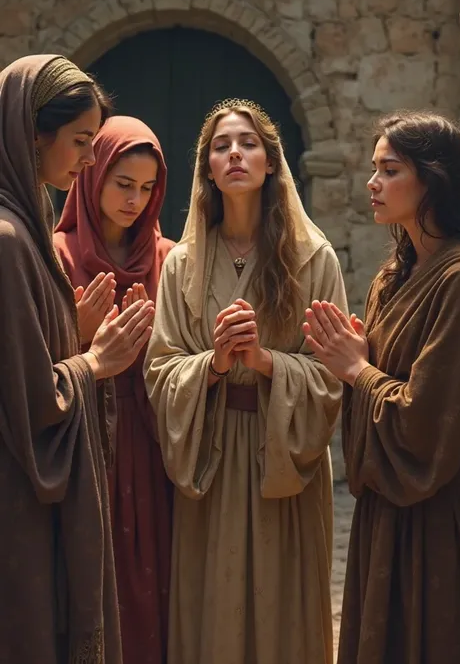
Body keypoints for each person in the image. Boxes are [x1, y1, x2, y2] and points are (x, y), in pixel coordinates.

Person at [143, 98, 348, 664]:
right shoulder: (182, 265)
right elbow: (160, 369)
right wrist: (210, 363)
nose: (235, 153)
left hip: (280, 457)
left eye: (249, 143)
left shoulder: (313, 258)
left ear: (271, 162)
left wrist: (263, 361)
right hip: (210, 454)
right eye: (221, 145)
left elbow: (333, 372)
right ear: (206, 167)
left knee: (283, 605)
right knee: (215, 605)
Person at [0, 54, 156, 663]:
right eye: (81, 141)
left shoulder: (23, 225)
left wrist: (70, 330)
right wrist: (94, 360)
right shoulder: (11, 240)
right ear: (32, 133)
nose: (90, 159)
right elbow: (30, 399)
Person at [303, 111, 460, 664]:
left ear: (433, 179)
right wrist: (354, 368)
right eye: (373, 169)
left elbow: (426, 423)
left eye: (389, 170)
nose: (372, 183)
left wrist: (358, 371)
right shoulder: (391, 278)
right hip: (385, 517)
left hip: (439, 518)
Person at [54, 115, 175, 664]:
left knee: (153, 581)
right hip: (82, 442)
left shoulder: (170, 260)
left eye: (147, 188)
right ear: (92, 175)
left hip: (152, 445)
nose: (135, 200)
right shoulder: (55, 256)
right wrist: (78, 337)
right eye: (123, 183)